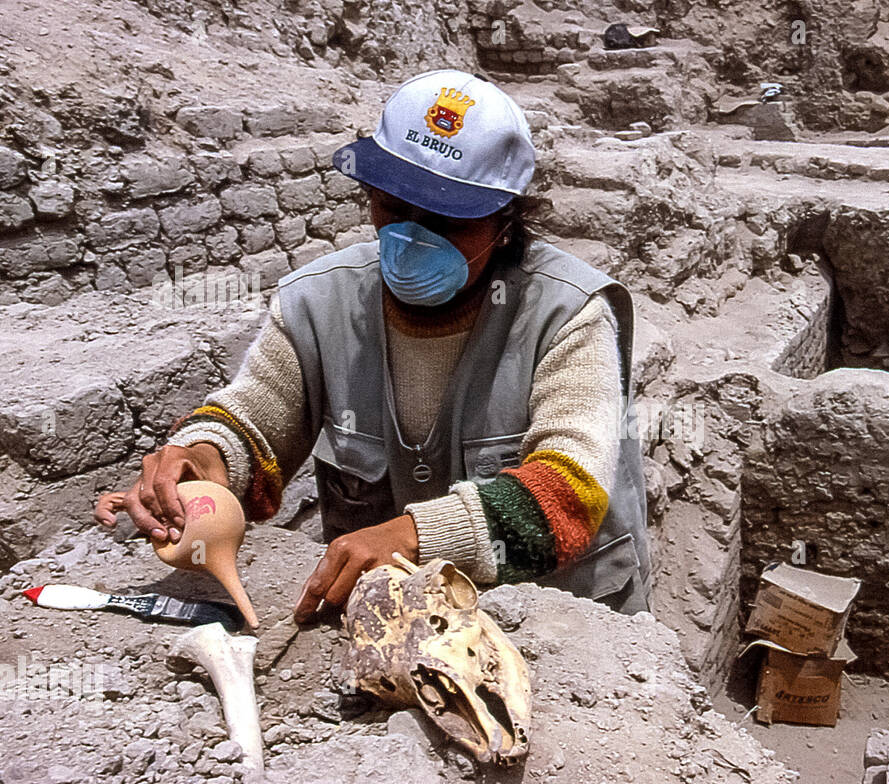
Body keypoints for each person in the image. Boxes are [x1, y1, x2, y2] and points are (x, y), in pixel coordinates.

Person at [94, 69, 652, 622]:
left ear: (503, 222)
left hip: (561, 621)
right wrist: (201, 459)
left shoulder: (567, 313)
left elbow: (567, 490)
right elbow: (256, 419)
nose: (412, 235)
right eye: (392, 209)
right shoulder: (318, 304)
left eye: (445, 220)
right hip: (393, 619)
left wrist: (415, 535)